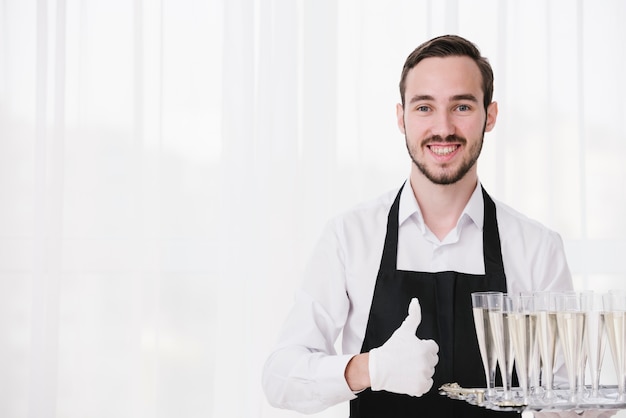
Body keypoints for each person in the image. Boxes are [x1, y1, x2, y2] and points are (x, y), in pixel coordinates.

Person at [262, 34, 573, 417]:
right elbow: (280, 378)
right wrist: (370, 368)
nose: (443, 127)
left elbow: (562, 393)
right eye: (424, 107)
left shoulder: (537, 248)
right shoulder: (350, 236)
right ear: (401, 117)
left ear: (490, 116)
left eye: (461, 106)